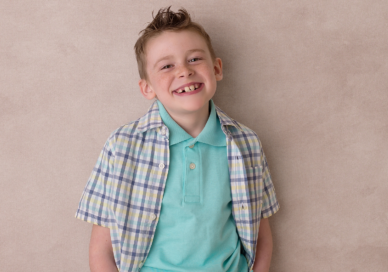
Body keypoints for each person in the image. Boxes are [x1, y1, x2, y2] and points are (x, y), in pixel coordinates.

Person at [75, 7, 279, 272]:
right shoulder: (122, 146)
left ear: (216, 68)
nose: (184, 71)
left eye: (194, 59)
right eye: (167, 65)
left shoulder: (246, 144)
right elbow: (101, 249)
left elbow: (261, 234)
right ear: (147, 87)